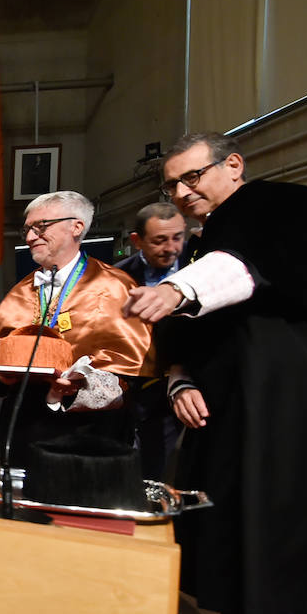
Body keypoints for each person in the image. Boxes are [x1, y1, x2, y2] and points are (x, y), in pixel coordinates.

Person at [124, 131, 307, 614]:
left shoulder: (284, 205)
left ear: (234, 165)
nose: (184, 193)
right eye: (174, 186)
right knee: (227, 531)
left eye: (194, 178)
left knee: (265, 533)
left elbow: (242, 271)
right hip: (226, 408)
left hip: (278, 401)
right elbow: (199, 332)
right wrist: (181, 379)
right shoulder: (211, 236)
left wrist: (178, 290)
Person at [0, 191, 152, 466]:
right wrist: (2, 377)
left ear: (76, 227)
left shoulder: (115, 286)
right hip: (25, 425)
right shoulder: (22, 290)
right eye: (28, 229)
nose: (30, 237)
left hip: (88, 433)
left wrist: (76, 388)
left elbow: (128, 370)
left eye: (40, 227)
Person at [115, 203, 188, 480]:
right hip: (139, 388)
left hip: (193, 382)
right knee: (145, 466)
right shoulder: (117, 277)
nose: (171, 248)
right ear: (137, 241)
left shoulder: (200, 267)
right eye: (159, 240)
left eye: (177, 237)